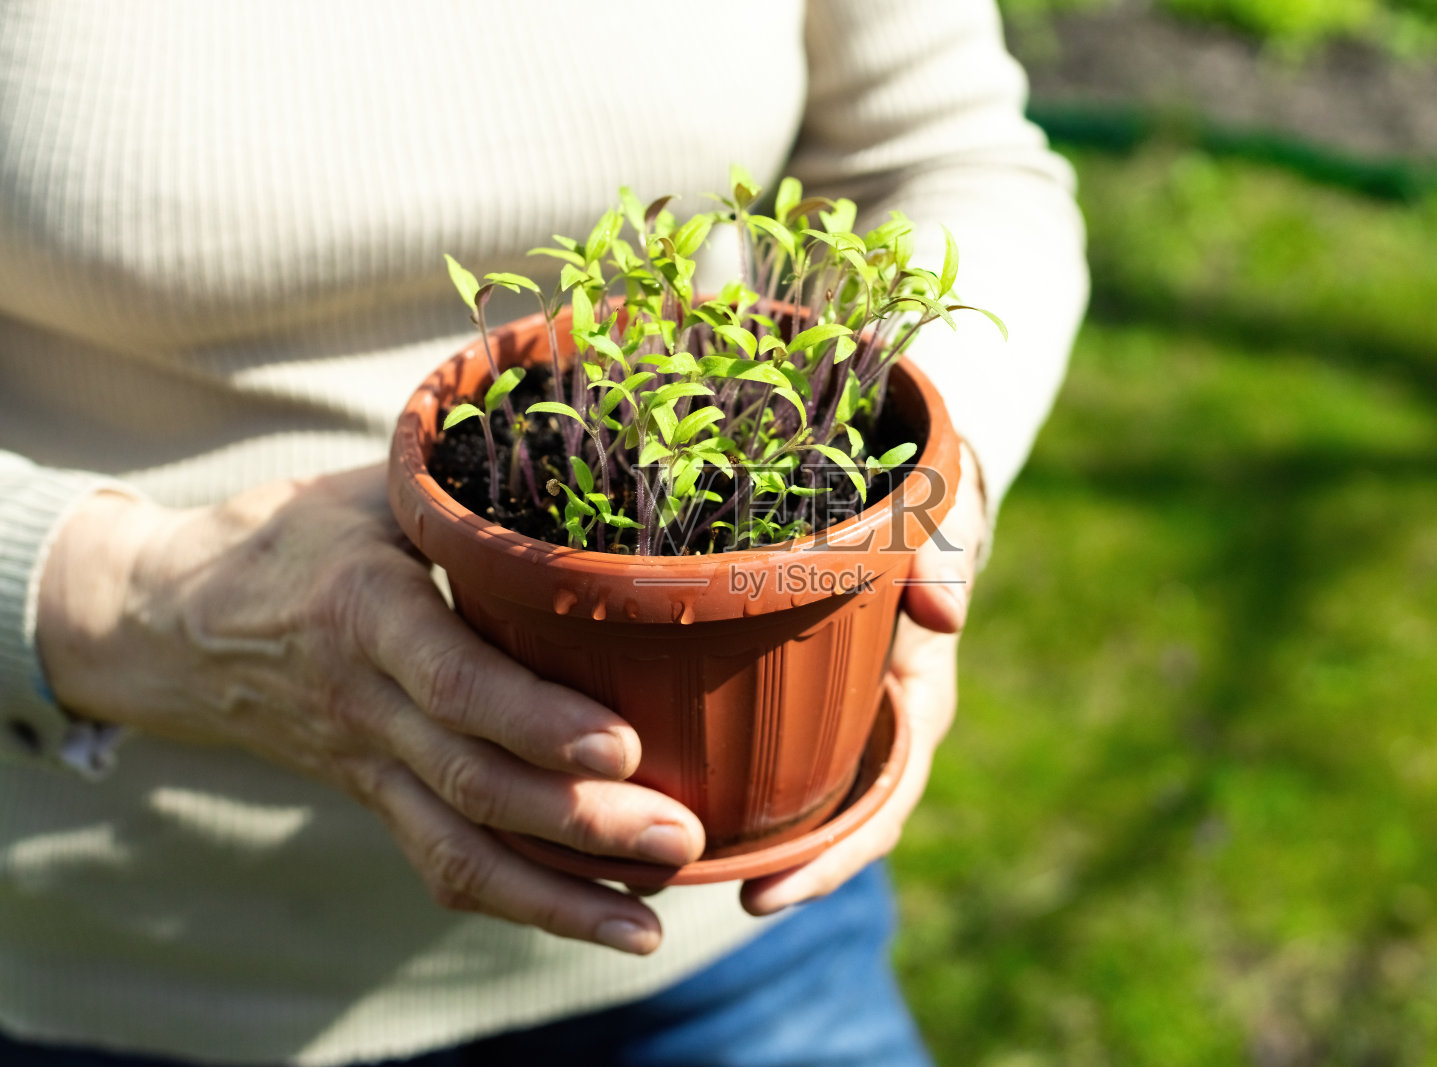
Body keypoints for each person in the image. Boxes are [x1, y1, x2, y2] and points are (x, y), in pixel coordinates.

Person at [0, 0, 1087, 1063]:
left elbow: (949, 155)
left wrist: (940, 483)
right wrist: (127, 597)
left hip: (736, 922)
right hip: (133, 961)